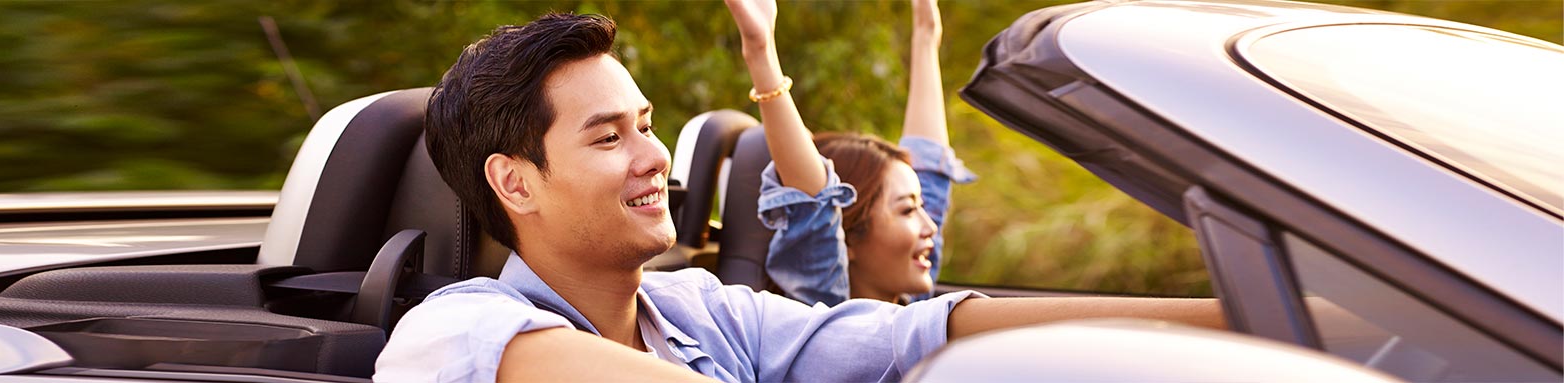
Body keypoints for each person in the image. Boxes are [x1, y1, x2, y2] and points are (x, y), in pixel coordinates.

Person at [374, 5, 1224, 382]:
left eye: (645, 122)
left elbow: (910, 334)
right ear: (514, 181)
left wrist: (1253, 317)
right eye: (608, 135)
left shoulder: (703, 312)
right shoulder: (456, 327)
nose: (652, 154)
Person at [756, 0, 973, 306]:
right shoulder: (829, 322)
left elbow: (931, 166)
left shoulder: (912, 304)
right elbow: (814, 207)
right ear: (848, 238)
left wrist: (926, 36)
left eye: (919, 206)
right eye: (908, 210)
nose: (931, 226)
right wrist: (759, 52)